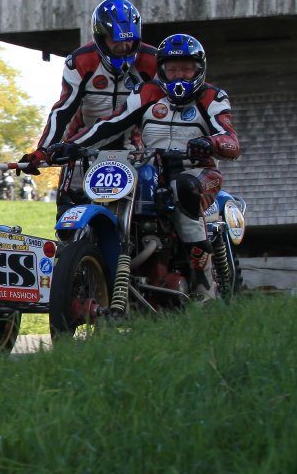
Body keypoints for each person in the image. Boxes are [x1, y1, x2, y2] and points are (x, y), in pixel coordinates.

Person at [47, 33, 240, 298]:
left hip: (198, 171)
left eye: (186, 69)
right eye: (172, 69)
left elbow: (231, 140)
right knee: (127, 187)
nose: (179, 75)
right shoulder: (147, 92)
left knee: (184, 188)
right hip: (154, 167)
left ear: (198, 69)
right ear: (161, 70)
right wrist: (70, 145)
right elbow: (110, 124)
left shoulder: (212, 97)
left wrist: (210, 143)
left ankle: (201, 280)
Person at [20, 0, 159, 210]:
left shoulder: (153, 60)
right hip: (80, 149)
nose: (123, 46)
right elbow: (63, 111)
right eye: (115, 40)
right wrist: (43, 150)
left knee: (146, 211)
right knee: (68, 212)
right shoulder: (79, 61)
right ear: (101, 38)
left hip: (133, 150)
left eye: (129, 39)